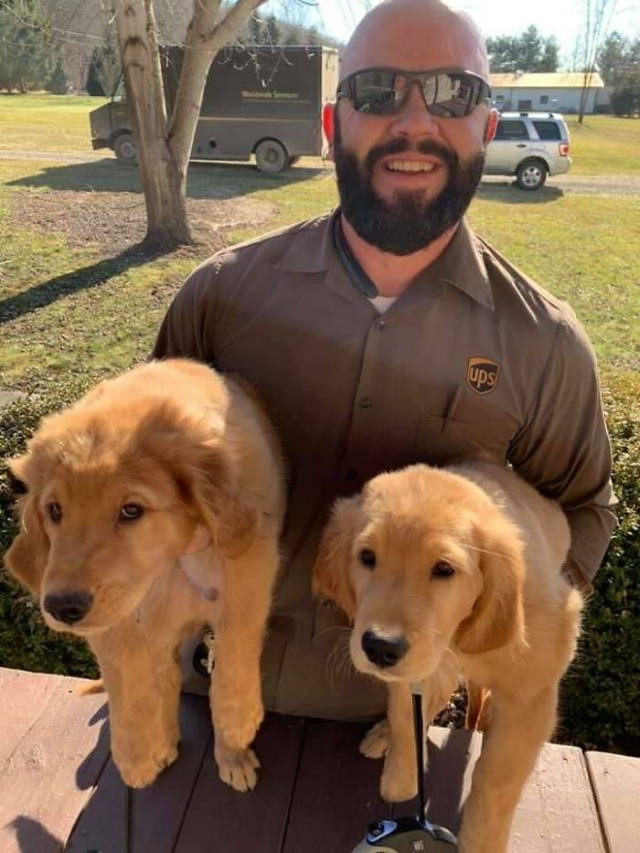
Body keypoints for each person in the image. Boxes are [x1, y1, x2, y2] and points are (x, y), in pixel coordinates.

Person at [152, 0, 616, 720]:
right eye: (379, 91)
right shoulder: (219, 297)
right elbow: (140, 478)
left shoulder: (545, 345)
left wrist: (500, 628)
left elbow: (583, 509)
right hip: (198, 699)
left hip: (399, 741)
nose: (415, 121)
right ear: (333, 124)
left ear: (485, 131)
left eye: (452, 93)